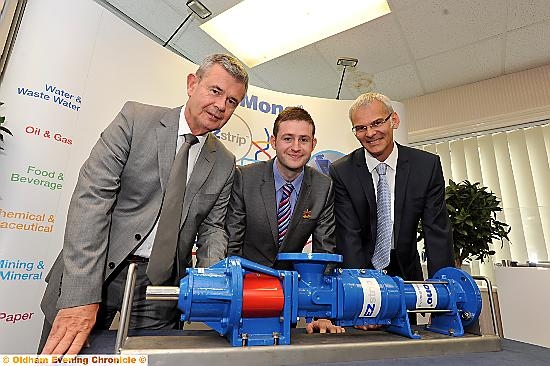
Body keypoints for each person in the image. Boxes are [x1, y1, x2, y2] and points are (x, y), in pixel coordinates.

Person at [39, 54, 248, 354]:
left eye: (232, 101)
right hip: (97, 270)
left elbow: (214, 229)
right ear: (192, 84)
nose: (221, 106)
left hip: (159, 289)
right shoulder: (135, 120)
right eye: (215, 91)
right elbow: (92, 199)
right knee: (62, 356)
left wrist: (210, 286)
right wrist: (80, 296)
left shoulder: (225, 162)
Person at [226, 106, 342, 334]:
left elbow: (324, 251)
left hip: (288, 296)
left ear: (314, 144)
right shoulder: (245, 177)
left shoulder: (323, 187)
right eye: (288, 138)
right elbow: (232, 243)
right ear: (273, 141)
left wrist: (321, 312)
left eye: (304, 139)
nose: (296, 147)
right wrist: (232, 293)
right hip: (244, 292)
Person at [329, 92, 454, 283]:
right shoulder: (342, 172)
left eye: (377, 123)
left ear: (393, 120)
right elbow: (348, 236)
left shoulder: (426, 166)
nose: (370, 133)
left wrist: (443, 291)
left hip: (406, 273)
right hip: (360, 271)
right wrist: (358, 287)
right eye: (361, 128)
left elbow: (436, 233)